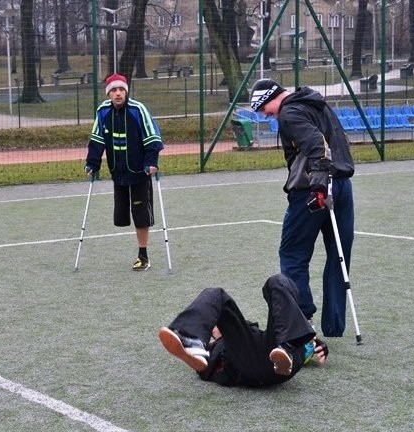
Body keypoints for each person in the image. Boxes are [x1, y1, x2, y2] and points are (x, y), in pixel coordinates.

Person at [249, 80, 355, 338]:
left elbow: (316, 145)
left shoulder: (289, 112)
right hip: (342, 185)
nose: (265, 114)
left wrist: (318, 184)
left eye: (263, 107)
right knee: (338, 254)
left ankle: (301, 319)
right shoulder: (318, 104)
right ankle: (333, 324)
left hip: (311, 189)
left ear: (274, 97)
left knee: (293, 253)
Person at [158, 273, 328, 387]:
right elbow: (207, 370)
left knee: (278, 281)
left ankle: (289, 346)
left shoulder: (248, 331)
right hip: (251, 364)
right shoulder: (218, 351)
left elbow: (291, 334)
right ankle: (189, 339)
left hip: (281, 353)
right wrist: (199, 362)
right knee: (215, 294)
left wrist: (314, 343)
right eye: (214, 325)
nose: (216, 324)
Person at [85, 73, 164, 271]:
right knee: (120, 216)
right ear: (109, 94)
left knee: (140, 215)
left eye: (121, 90)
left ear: (126, 91)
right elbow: (97, 140)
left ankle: (143, 256)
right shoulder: (103, 111)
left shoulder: (138, 110)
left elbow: (152, 137)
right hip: (117, 173)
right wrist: (92, 163)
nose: (118, 93)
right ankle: (141, 253)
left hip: (140, 172)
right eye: (114, 90)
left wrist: (151, 162)